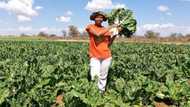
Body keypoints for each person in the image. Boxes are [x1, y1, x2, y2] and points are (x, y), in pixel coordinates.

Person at [86, 11, 121, 94]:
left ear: (103, 19)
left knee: (103, 77)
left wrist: (115, 33)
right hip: (94, 56)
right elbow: (98, 34)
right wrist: (112, 26)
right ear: (94, 18)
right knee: (94, 75)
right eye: (97, 17)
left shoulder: (105, 30)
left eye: (101, 17)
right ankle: (94, 93)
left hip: (106, 56)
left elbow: (108, 44)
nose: (99, 19)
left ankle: (101, 93)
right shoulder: (90, 27)